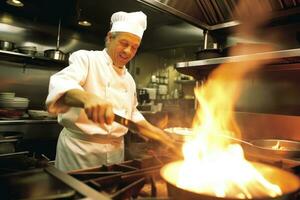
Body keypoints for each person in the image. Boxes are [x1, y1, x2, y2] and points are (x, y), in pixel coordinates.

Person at [46, 11, 171, 171]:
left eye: (134, 47)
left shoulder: (129, 80)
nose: (128, 51)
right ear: (110, 38)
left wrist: (155, 132)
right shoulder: (87, 59)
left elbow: (131, 114)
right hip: (79, 152)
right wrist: (87, 98)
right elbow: (62, 83)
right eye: (124, 43)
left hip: (115, 153)